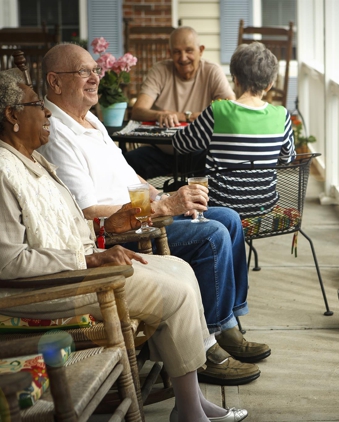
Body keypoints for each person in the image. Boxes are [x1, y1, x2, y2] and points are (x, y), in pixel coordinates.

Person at [0, 68, 249, 422]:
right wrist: (88, 258)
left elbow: (74, 219)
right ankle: (191, 410)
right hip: (58, 287)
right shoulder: (3, 171)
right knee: (177, 289)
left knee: (181, 269)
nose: (46, 113)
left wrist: (123, 222)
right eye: (36, 104)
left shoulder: (34, 159)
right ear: (11, 115)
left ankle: (190, 401)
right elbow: (9, 262)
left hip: (82, 267)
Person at [38, 43, 270, 386]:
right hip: (124, 231)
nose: (94, 78)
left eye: (95, 70)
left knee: (228, 218)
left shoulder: (90, 121)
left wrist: (163, 196)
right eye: (83, 72)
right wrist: (161, 208)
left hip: (146, 214)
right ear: (55, 83)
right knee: (212, 234)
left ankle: (227, 324)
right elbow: (89, 212)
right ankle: (208, 347)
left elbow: (130, 176)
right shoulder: (57, 133)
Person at [173, 42, 295, 217]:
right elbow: (287, 158)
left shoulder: (218, 110)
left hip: (221, 205)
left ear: (235, 79)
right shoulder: (282, 115)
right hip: (264, 205)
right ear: (270, 84)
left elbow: (181, 144)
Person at [126, 26, 236, 179]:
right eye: (177, 52)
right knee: (126, 163)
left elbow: (231, 109)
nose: (183, 58)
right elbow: (138, 111)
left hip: (199, 152)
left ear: (201, 50)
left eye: (189, 50)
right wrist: (159, 114)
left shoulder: (212, 71)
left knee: (224, 163)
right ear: (170, 53)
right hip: (161, 152)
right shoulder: (159, 70)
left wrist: (183, 116)